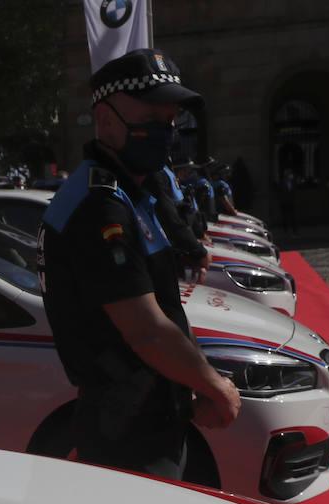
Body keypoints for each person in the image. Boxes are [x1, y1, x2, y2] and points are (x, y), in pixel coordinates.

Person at [37, 48, 240, 480]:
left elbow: (164, 308)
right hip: (126, 433)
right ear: (106, 120)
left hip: (151, 415)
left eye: (171, 122)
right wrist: (213, 385)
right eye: (151, 121)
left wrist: (192, 381)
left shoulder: (133, 194)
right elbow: (146, 330)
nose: (165, 133)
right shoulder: (99, 205)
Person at [278, 168, 298, 236]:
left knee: (293, 217)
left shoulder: (293, 182)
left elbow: (294, 192)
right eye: (289, 174)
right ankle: (285, 231)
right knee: (285, 217)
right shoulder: (282, 182)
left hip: (291, 202)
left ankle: (294, 230)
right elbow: (280, 192)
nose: (290, 176)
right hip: (284, 202)